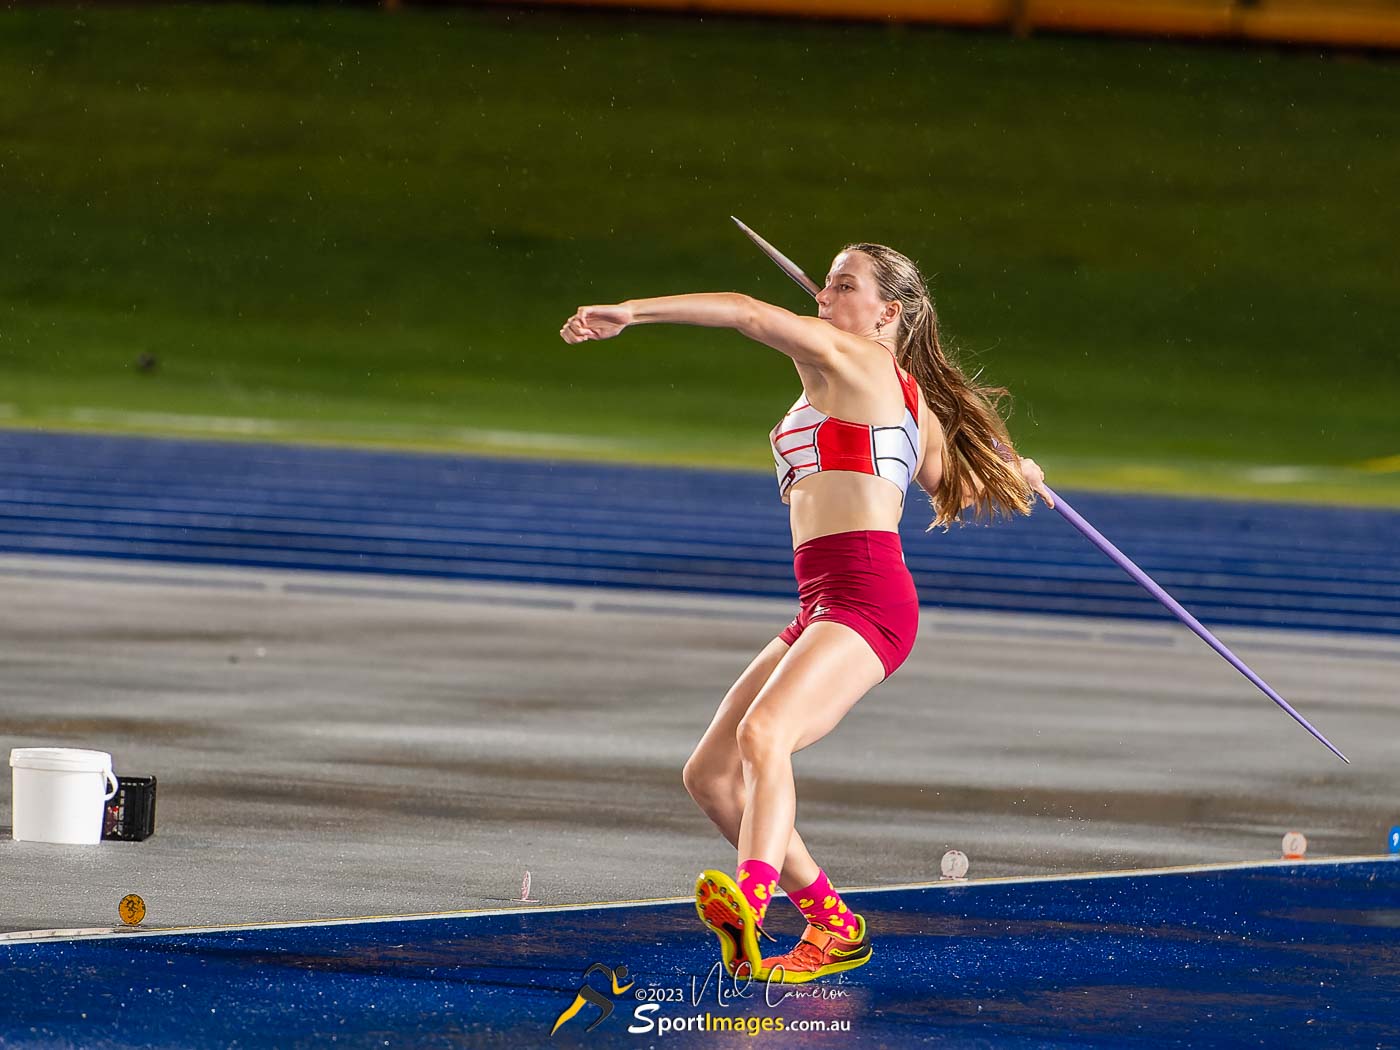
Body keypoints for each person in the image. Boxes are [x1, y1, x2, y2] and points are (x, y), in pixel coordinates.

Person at [560, 242, 1051, 984]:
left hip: (870, 597)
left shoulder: (855, 359)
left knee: (765, 734)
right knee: (711, 775)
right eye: (824, 284)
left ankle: (750, 899)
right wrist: (1016, 473)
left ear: (887, 311)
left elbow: (744, 312)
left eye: (844, 285)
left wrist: (631, 311)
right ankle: (834, 925)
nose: (824, 296)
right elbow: (953, 481)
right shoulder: (902, 396)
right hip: (824, 601)